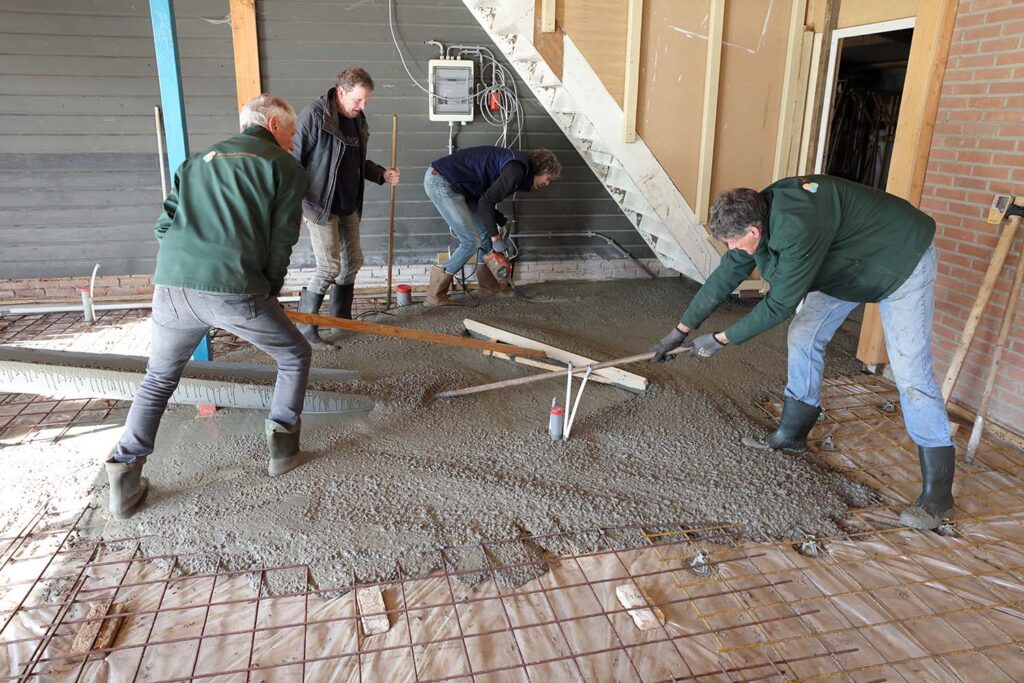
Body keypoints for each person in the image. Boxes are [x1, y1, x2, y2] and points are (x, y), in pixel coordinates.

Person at [650, 175, 955, 530]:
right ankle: (793, 435)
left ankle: (938, 497)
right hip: (847, 264)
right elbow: (726, 275)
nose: (732, 246)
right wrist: (680, 330)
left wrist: (721, 339)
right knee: (805, 332)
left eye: (734, 240)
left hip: (900, 259)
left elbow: (779, 305)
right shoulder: (758, 219)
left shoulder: (796, 227)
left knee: (910, 373)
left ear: (753, 230)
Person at [105, 94, 312, 520]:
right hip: (235, 290)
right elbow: (282, 240)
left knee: (159, 377)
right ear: (274, 125)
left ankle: (124, 479)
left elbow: (165, 225)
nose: (293, 142)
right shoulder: (284, 167)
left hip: (171, 286)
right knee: (294, 353)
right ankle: (283, 450)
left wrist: (187, 265)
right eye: (291, 133)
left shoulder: (195, 162)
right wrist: (268, 291)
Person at [291, 67, 400, 344]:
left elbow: (355, 161)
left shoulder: (357, 120)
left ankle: (341, 320)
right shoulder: (314, 116)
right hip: (320, 205)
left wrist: (381, 174)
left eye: (365, 101)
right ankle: (306, 327)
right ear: (341, 92)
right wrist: (293, 208)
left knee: (352, 263)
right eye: (358, 100)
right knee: (328, 266)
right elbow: (293, 163)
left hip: (349, 204)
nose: (362, 107)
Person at [423, 146, 561, 304]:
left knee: (484, 234)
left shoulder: (516, 167)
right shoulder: (516, 169)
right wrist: (496, 238)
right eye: (548, 177)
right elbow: (486, 202)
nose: (548, 183)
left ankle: (488, 288)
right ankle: (434, 295)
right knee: (471, 241)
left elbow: (484, 199)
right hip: (442, 181)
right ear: (540, 169)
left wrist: (501, 220)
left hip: (463, 188)